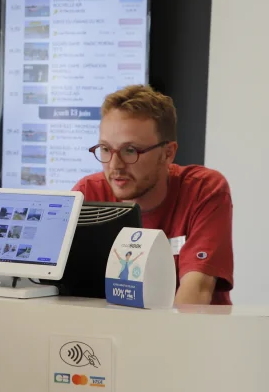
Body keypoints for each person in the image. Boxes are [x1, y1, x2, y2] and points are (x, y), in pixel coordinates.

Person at [74, 85, 234, 305]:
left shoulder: (203, 190)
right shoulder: (88, 194)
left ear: (167, 153)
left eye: (130, 150)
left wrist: (154, 339)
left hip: (184, 334)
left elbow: (197, 288)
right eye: (105, 149)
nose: (115, 165)